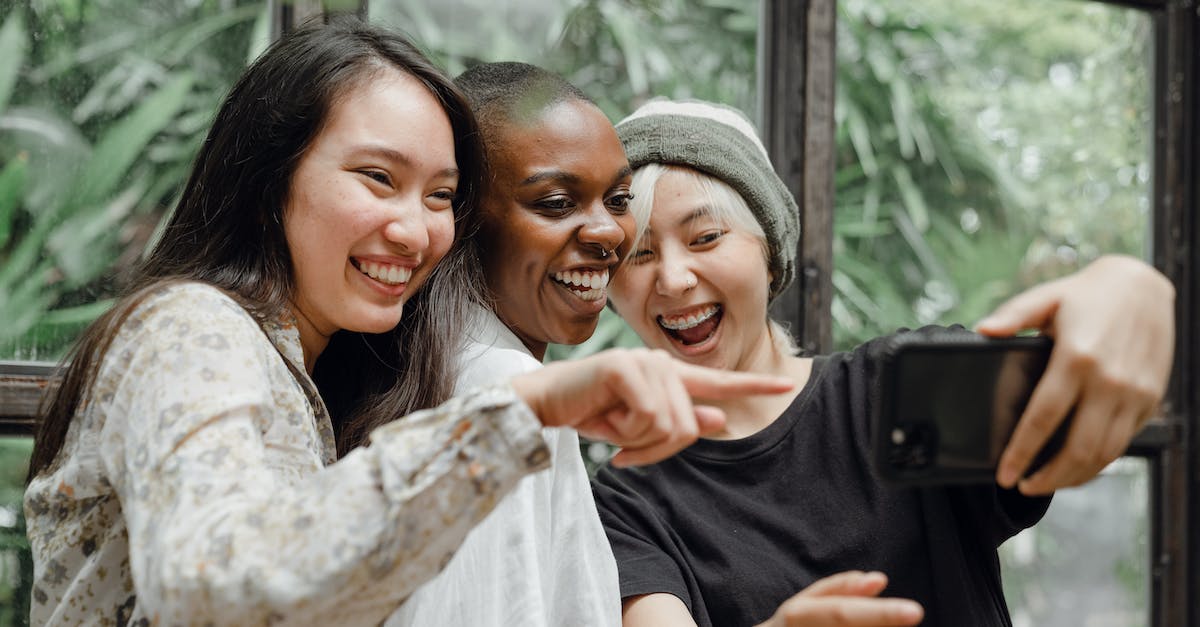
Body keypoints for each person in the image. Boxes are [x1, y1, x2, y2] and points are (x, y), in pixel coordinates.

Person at [22, 26, 792, 625]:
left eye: (439, 196)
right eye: (378, 178)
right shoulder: (192, 328)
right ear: (269, 178)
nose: (415, 228)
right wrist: (519, 414)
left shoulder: (316, 371)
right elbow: (209, 585)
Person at [591, 98, 1175, 627]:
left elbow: (1083, 393)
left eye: (706, 237)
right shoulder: (624, 502)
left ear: (769, 254)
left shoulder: (905, 388)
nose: (673, 278)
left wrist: (1130, 286)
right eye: (638, 254)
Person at [386, 61, 635, 626]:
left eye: (619, 198)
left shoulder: (449, 371)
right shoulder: (508, 393)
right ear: (463, 219)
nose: (608, 231)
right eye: (556, 203)